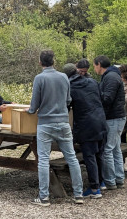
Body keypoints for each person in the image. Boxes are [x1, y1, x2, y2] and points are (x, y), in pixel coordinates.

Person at [27, 51, 85, 206]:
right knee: (72, 158)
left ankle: (44, 197)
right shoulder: (64, 77)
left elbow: (34, 105)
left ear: (40, 62)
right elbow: (68, 99)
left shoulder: (40, 78)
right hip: (64, 122)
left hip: (45, 123)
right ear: (54, 61)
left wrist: (30, 111)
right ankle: (78, 194)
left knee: (44, 160)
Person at [63, 63, 107, 199]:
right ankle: (101, 182)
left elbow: (67, 105)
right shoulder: (92, 82)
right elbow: (101, 97)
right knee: (99, 153)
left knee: (89, 156)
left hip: (85, 124)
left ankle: (94, 189)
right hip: (100, 120)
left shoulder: (70, 86)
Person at [94, 55, 127, 189]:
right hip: (116, 117)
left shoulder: (111, 77)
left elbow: (107, 98)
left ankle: (110, 181)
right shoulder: (112, 76)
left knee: (108, 150)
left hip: (113, 118)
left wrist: (96, 96)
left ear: (99, 64)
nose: (94, 68)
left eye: (95, 65)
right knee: (115, 149)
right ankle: (119, 178)